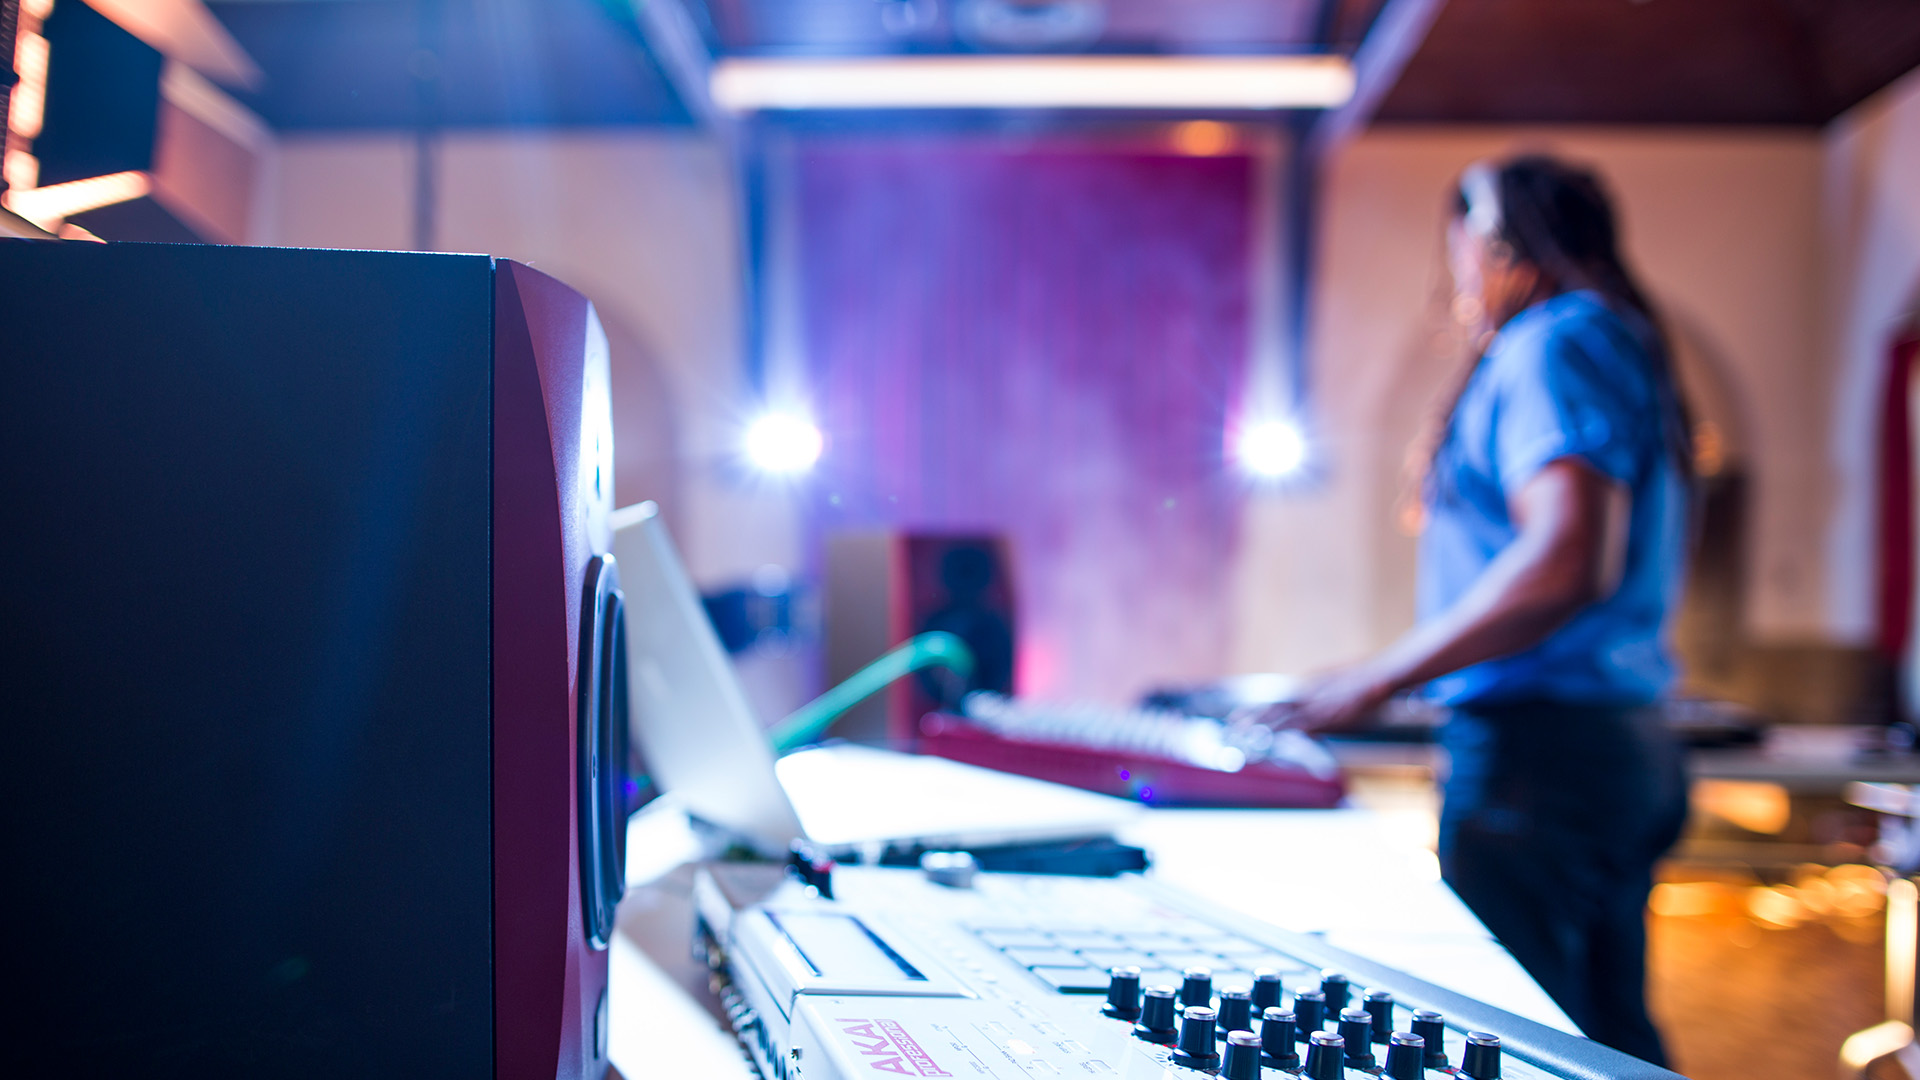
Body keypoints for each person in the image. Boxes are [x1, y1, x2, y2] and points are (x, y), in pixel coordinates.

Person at [1250, 154, 1692, 1066]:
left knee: (1522, 1051)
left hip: (1542, 762)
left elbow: (1567, 559)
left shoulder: (1553, 343)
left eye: (1463, 251)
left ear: (1500, 243)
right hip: (1615, 747)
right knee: (1607, 1042)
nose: (1457, 278)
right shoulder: (1615, 339)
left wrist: (1376, 679)